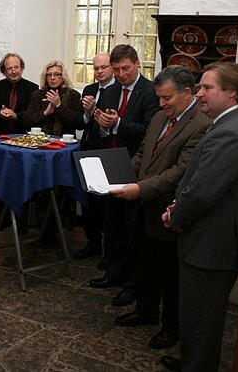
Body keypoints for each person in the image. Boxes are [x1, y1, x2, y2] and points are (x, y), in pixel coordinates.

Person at [159, 62, 238, 372]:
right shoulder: (231, 122)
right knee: (197, 317)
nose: (199, 93)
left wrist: (176, 215)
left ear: (232, 92)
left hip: (211, 245)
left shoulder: (230, 132)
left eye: (207, 88)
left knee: (202, 320)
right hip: (210, 238)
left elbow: (203, 191)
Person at [109, 66, 211, 351]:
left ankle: (171, 327)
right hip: (142, 206)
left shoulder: (201, 125)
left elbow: (181, 171)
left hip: (168, 211)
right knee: (145, 263)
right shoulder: (157, 117)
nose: (162, 103)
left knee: (170, 274)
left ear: (187, 93)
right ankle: (146, 311)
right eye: (159, 98)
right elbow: (143, 154)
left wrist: (140, 188)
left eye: (167, 98)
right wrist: (122, 175)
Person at [88, 44, 159, 309]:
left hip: (136, 168)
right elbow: (103, 128)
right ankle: (113, 274)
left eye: (125, 68)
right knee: (112, 224)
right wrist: (105, 127)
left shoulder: (150, 92)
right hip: (111, 164)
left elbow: (150, 132)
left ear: (138, 64)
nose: (120, 74)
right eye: (116, 69)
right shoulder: (112, 89)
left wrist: (117, 124)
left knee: (131, 229)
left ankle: (131, 284)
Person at [72, 52, 117, 261]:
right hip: (88, 149)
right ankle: (92, 243)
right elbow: (81, 123)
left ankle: (109, 251)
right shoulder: (90, 90)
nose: (99, 72)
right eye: (96, 68)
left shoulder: (119, 90)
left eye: (103, 67)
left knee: (107, 206)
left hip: (108, 152)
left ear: (112, 67)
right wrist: (88, 113)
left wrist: (100, 117)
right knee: (89, 201)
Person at [0, 52, 37, 231]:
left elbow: (32, 115)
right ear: (4, 70)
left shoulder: (33, 88)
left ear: (21, 67)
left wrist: (16, 115)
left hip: (24, 141)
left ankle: (21, 220)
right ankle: (2, 219)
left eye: (16, 67)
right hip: (1, 140)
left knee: (22, 180)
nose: (13, 71)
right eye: (9, 68)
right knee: (2, 180)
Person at [24, 60, 82, 136]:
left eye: (57, 74)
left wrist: (59, 105)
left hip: (65, 142)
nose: (52, 78)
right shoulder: (37, 95)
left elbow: (78, 123)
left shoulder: (73, 95)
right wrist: (45, 113)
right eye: (49, 75)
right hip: (40, 140)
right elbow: (27, 121)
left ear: (63, 76)